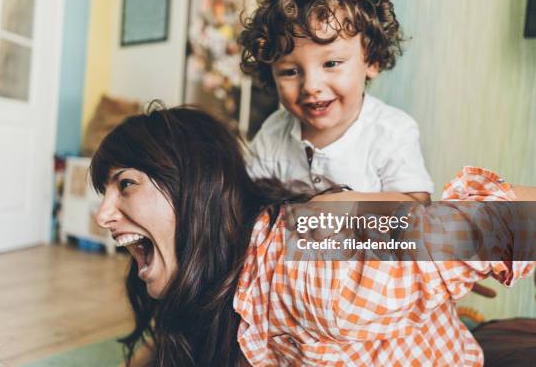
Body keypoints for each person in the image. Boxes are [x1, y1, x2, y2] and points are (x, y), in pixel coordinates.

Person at [92, 106, 534, 367]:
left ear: (194, 190)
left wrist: (429, 245)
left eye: (125, 184)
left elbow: (512, 218)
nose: (102, 215)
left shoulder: (309, 250)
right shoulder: (211, 276)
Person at [240, 0, 432, 203]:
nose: (311, 86)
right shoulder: (273, 133)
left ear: (372, 60)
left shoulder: (392, 132)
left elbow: (417, 205)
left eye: (331, 64)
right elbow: (245, 196)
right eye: (290, 72)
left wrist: (350, 204)